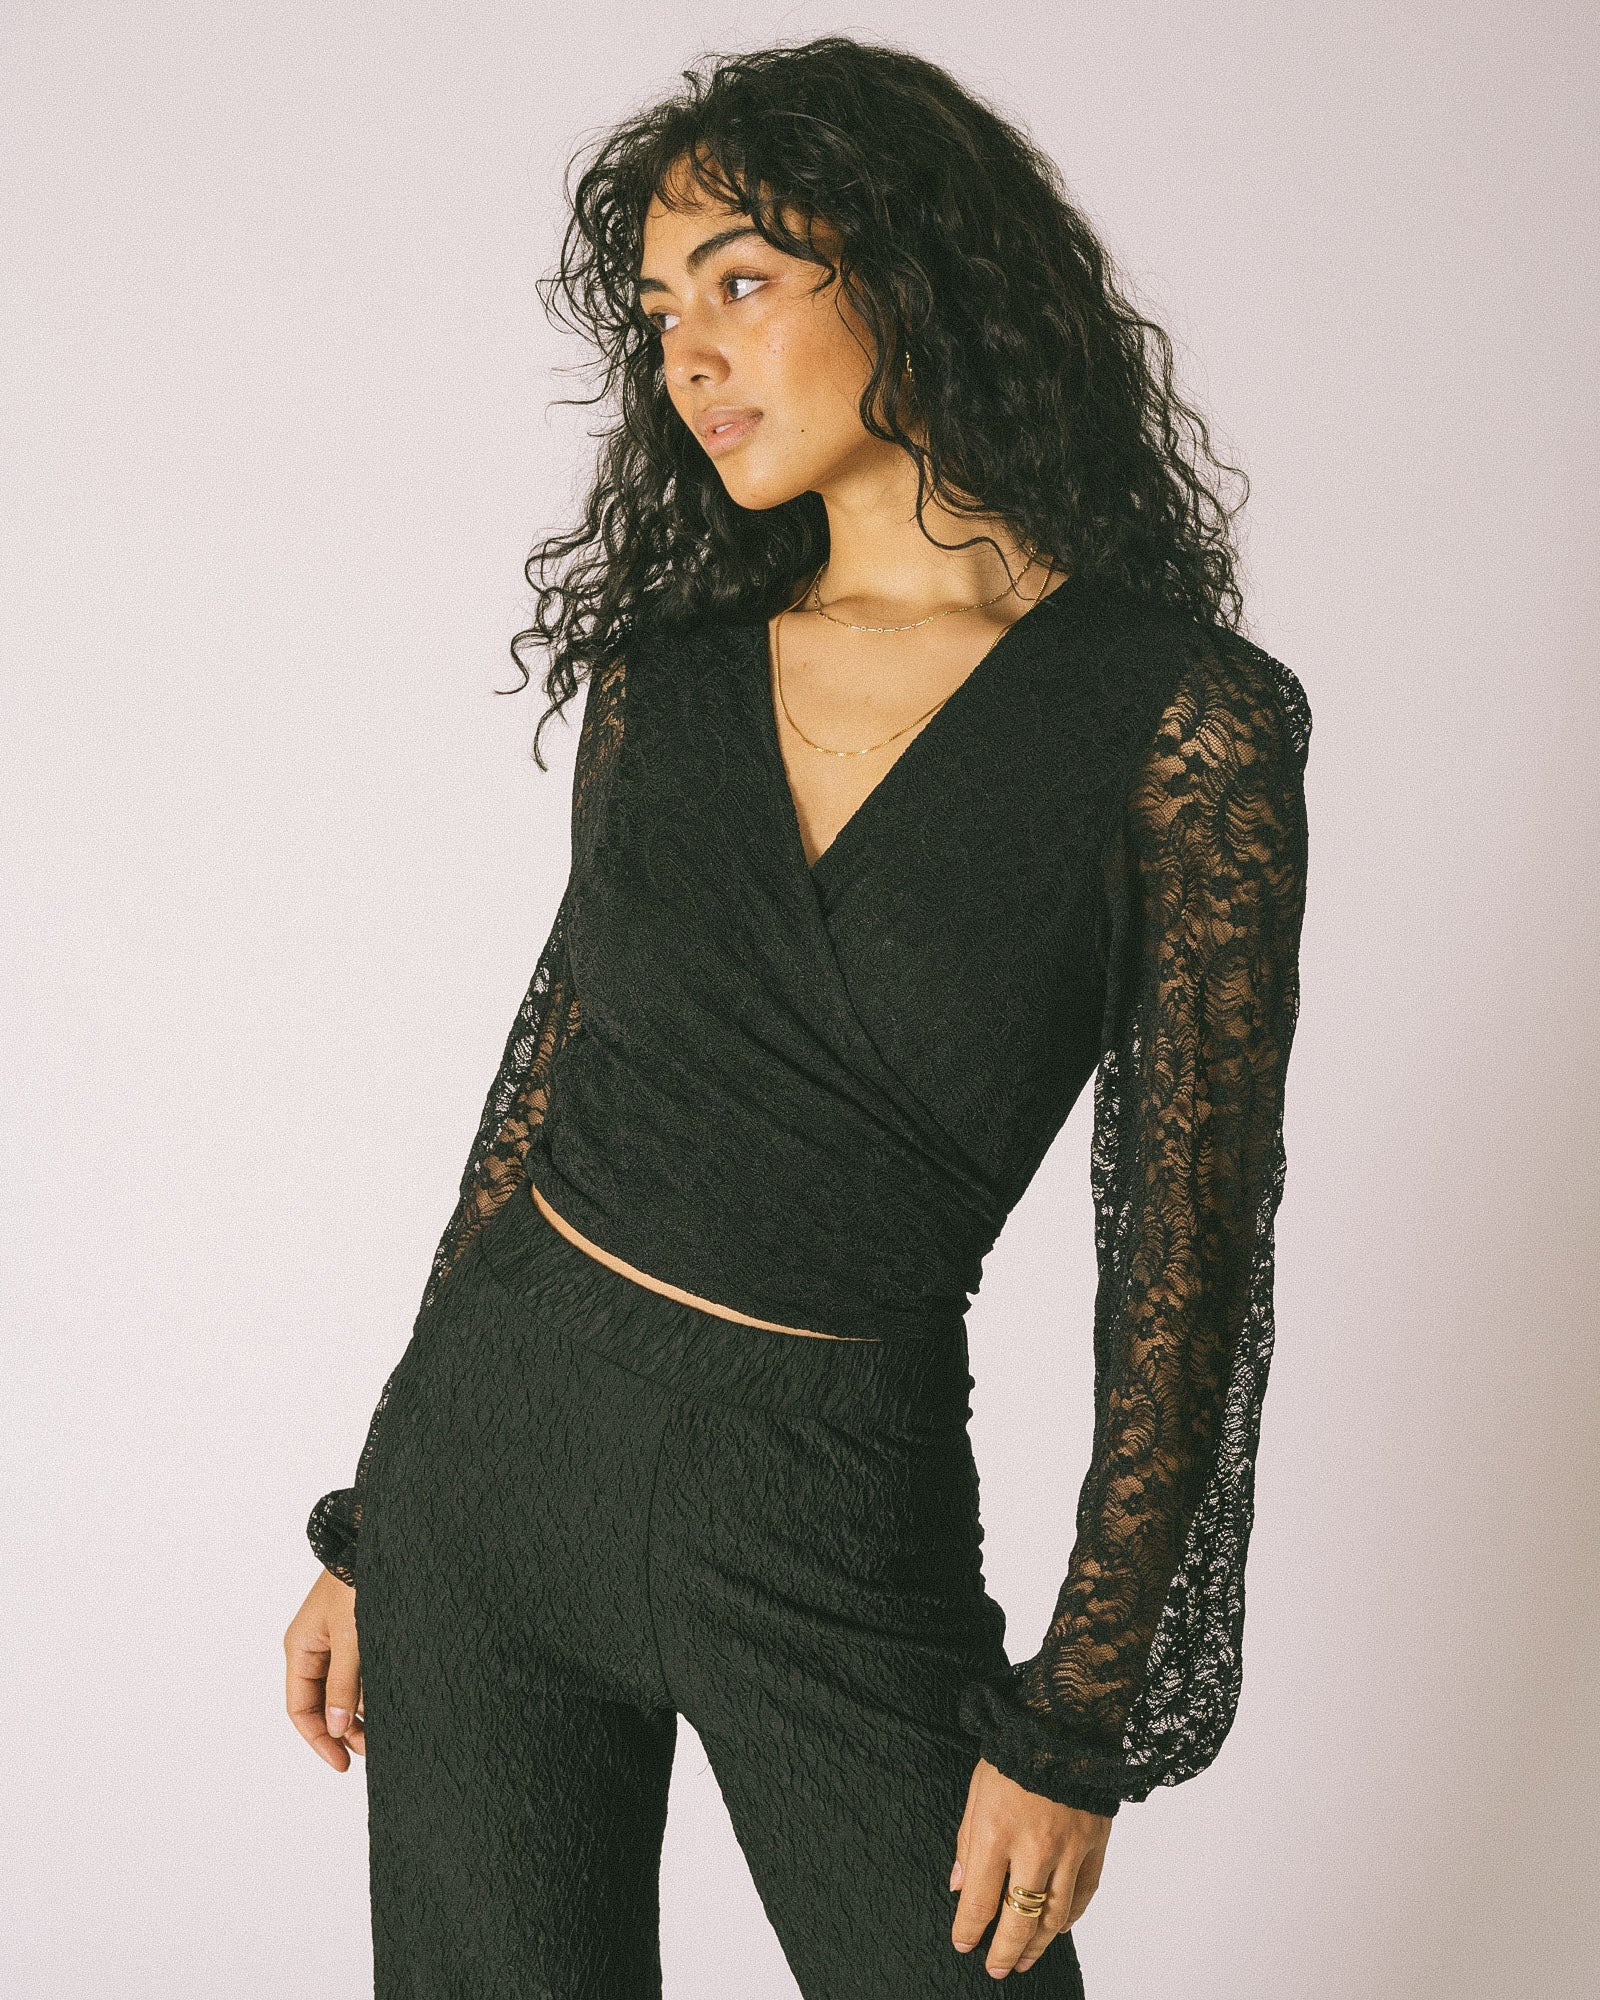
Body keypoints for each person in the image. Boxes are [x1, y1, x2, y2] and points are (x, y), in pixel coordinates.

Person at [282, 34, 1311, 1999]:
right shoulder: (666, 680)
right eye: (660, 309)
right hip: (496, 1462)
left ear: (912, 267)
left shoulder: (1174, 720)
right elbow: (544, 1098)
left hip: (826, 1500)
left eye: (740, 279)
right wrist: (376, 1512)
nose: (688, 352)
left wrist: (1079, 1713)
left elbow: (1187, 1243)